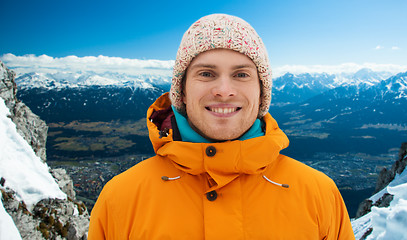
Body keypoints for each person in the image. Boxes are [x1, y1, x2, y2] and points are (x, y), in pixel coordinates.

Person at [88, 13, 354, 239]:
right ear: (181, 91)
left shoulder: (319, 195)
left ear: (262, 93)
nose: (224, 91)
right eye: (206, 74)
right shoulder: (120, 200)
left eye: (241, 74)